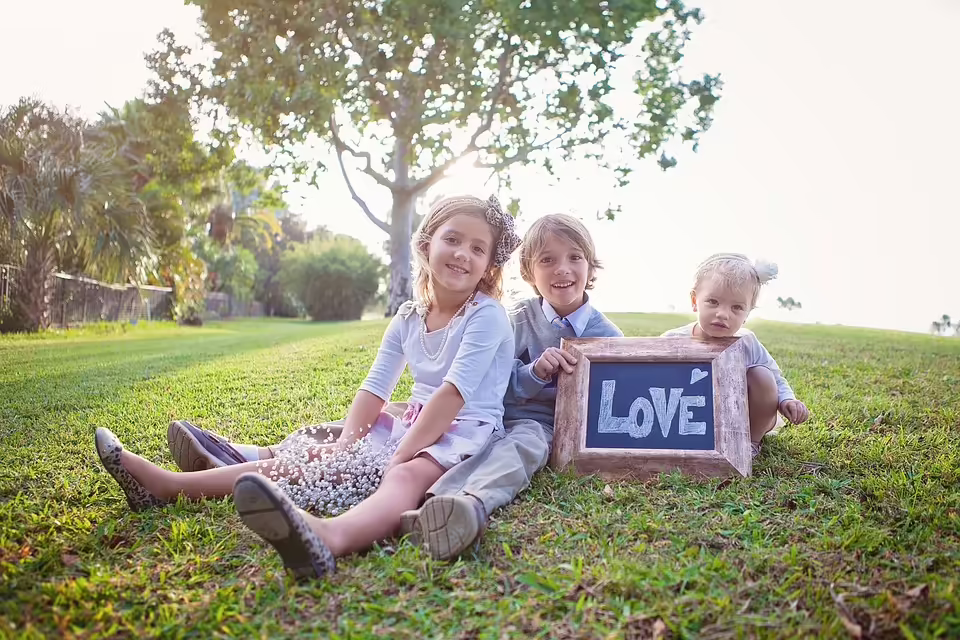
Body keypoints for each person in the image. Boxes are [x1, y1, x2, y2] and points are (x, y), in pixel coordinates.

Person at [93, 194, 521, 579]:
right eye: (453, 239)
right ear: (427, 244)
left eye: (477, 248)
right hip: (414, 423)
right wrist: (346, 445)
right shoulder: (409, 316)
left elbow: (452, 397)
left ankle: (330, 538)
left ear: (488, 266)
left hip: (466, 433)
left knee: (405, 476)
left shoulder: (486, 315)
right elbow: (375, 389)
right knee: (316, 455)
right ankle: (167, 487)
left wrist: (401, 454)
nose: (463, 254)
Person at [399, 213, 623, 559]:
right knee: (425, 424)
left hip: (540, 423)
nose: (562, 269)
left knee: (521, 449)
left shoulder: (608, 337)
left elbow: (612, 402)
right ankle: (410, 492)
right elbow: (489, 380)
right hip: (488, 412)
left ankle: (464, 504)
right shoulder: (512, 320)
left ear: (591, 268)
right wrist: (533, 372)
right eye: (547, 260)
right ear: (529, 272)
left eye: (574, 258)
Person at [661, 253, 810, 456]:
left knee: (762, 374)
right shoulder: (673, 340)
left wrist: (787, 400)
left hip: (743, 418)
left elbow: (776, 378)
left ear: (747, 313)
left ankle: (751, 443)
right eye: (713, 302)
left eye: (737, 307)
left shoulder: (747, 342)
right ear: (695, 300)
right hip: (695, 415)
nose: (723, 314)